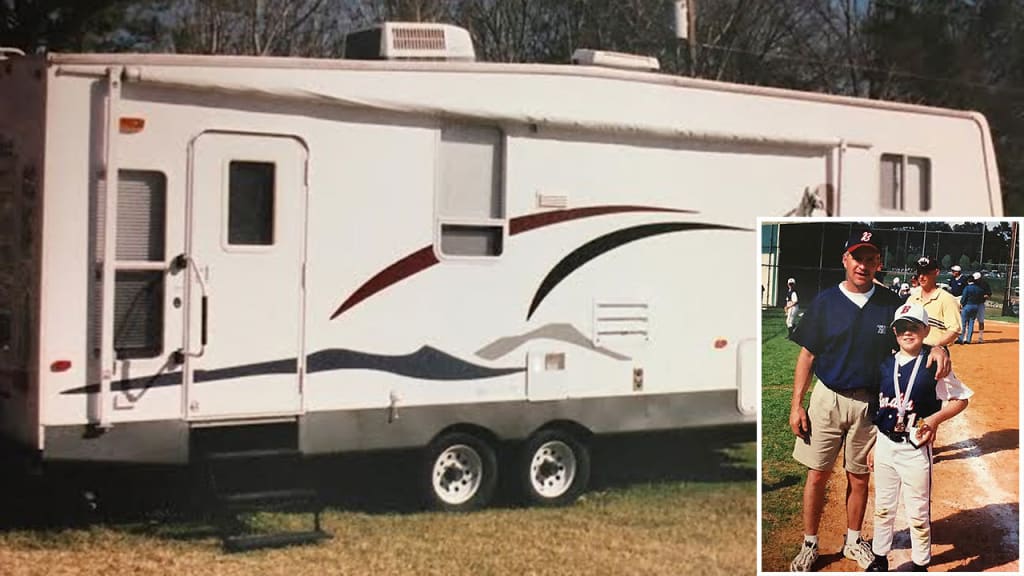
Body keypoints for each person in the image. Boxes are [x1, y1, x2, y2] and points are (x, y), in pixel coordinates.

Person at [788, 229, 949, 572]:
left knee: (858, 476)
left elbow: (917, 334)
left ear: (879, 263)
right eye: (857, 257)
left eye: (871, 259)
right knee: (817, 474)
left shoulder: (889, 302)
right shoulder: (826, 301)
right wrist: (796, 404)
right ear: (845, 260)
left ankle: (852, 540)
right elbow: (806, 356)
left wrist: (938, 346)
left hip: (870, 404)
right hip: (827, 398)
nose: (864, 265)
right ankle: (810, 543)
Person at [866, 303, 972, 572]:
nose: (907, 332)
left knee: (917, 511)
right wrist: (874, 446)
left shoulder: (933, 363)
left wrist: (934, 420)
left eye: (914, 327)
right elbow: (880, 409)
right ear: (894, 332)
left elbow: (961, 399)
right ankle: (879, 556)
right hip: (886, 445)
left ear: (925, 330)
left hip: (915, 446)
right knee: (884, 506)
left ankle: (921, 563)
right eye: (902, 328)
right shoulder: (885, 363)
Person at [906, 257, 961, 348]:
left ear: (936, 272)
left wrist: (935, 346)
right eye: (919, 273)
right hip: (913, 351)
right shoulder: (912, 299)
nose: (921, 277)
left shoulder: (947, 299)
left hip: (935, 352)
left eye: (926, 273)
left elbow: (954, 330)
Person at [957, 276, 986, 344]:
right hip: (976, 306)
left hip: (967, 305)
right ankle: (968, 339)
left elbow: (964, 297)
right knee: (971, 323)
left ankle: (961, 339)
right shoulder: (979, 289)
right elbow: (981, 298)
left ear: (968, 281)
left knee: (963, 323)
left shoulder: (967, 288)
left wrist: (962, 304)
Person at [973, 272, 993, 342]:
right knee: (969, 321)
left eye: (977, 279)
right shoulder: (972, 283)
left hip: (980, 304)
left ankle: (980, 337)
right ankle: (966, 336)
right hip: (972, 304)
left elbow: (989, 294)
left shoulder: (984, 284)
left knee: (981, 320)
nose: (976, 281)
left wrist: (981, 296)